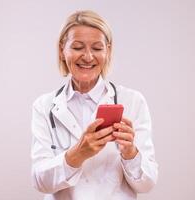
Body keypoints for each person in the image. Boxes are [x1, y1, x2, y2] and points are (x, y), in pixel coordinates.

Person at [31, 10, 158, 200]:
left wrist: (130, 153)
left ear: (108, 51)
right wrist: (77, 154)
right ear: (61, 50)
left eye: (97, 48)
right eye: (77, 47)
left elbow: (147, 184)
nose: (88, 57)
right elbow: (40, 181)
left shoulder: (132, 101)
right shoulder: (44, 106)